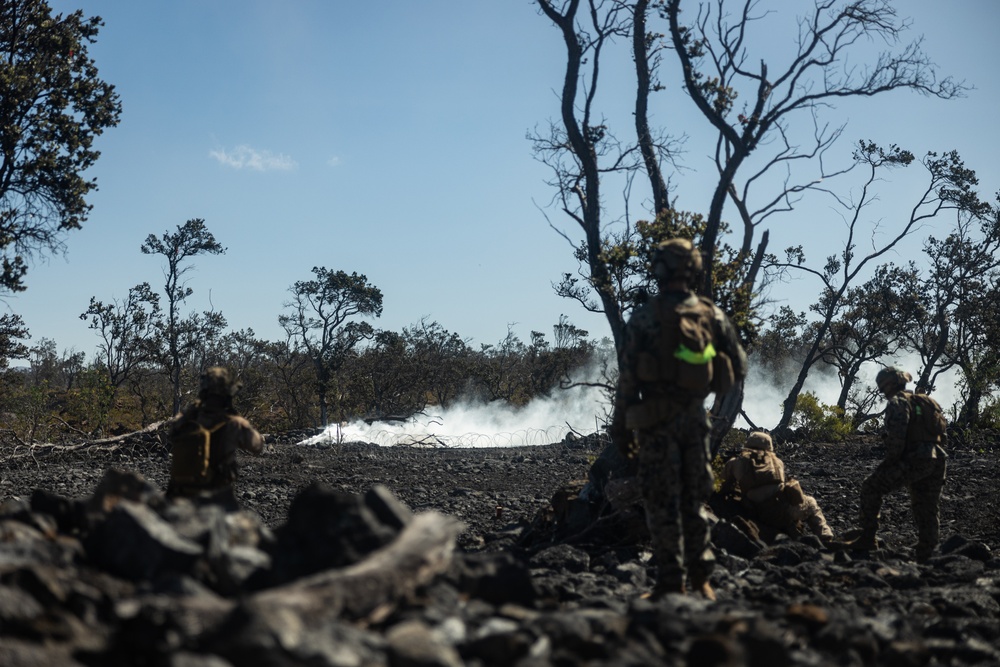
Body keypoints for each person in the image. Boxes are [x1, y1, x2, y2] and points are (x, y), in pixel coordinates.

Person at [611, 238, 748, 601]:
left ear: (658, 269)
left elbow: (627, 379)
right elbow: (739, 366)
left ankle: (670, 580)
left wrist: (620, 426)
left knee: (660, 499)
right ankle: (701, 580)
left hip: (655, 424)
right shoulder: (711, 315)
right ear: (694, 269)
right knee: (692, 499)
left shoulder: (642, 318)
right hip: (694, 421)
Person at [842, 367, 948, 562]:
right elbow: (943, 434)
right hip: (938, 458)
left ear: (890, 384)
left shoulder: (897, 403)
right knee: (926, 505)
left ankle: (867, 538)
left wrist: (890, 463)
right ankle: (928, 550)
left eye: (883, 386)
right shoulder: (928, 401)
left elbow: (898, 436)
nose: (882, 390)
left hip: (916, 457)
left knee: (871, 487)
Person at [167, 366, 264, 502]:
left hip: (180, 494)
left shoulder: (187, 418)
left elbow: (171, 434)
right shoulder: (234, 423)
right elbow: (257, 446)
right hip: (216, 497)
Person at [719, 431, 833, 543]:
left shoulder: (736, 462)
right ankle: (826, 537)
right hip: (781, 511)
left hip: (754, 511)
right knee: (811, 503)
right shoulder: (777, 462)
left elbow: (723, 485)